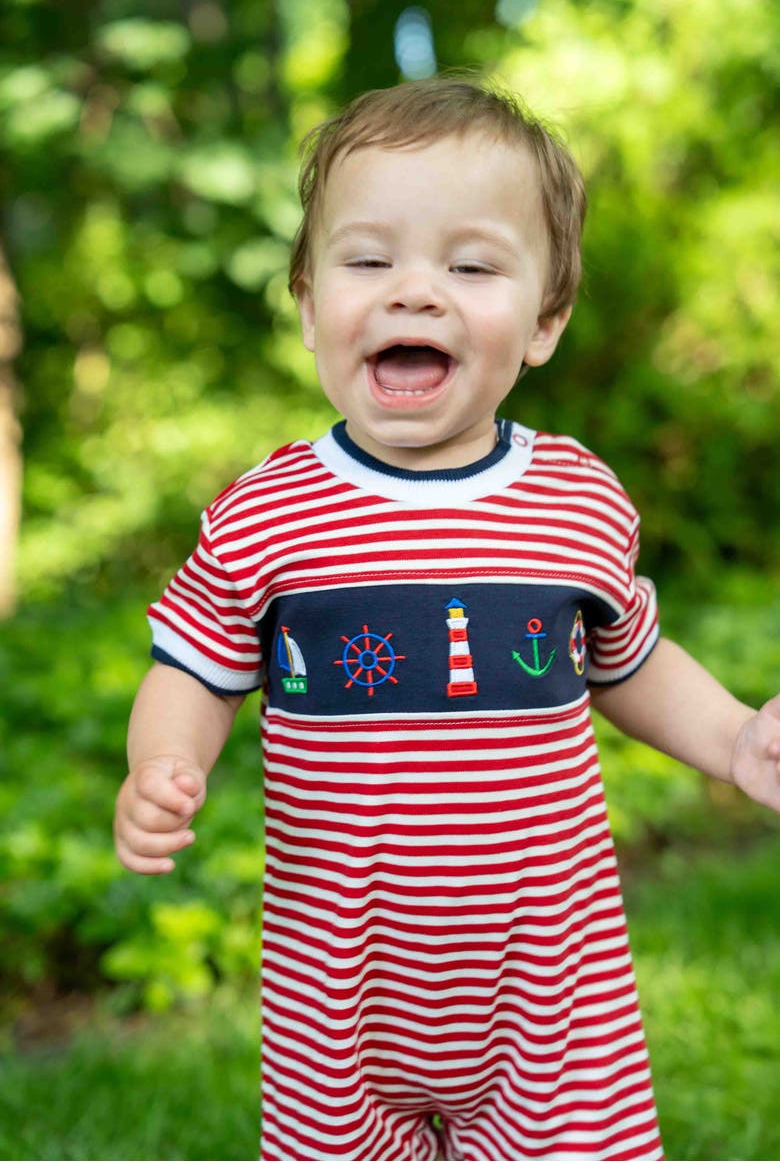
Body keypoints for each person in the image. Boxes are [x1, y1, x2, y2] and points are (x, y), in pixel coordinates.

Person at [114, 77, 780, 1161]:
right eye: (368, 260)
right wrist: (162, 763)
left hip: (551, 993)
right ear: (307, 304)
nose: (413, 292)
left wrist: (736, 736)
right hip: (339, 990)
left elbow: (627, 659)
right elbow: (195, 667)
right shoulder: (266, 511)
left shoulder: (577, 499)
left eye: (470, 267)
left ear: (545, 321)